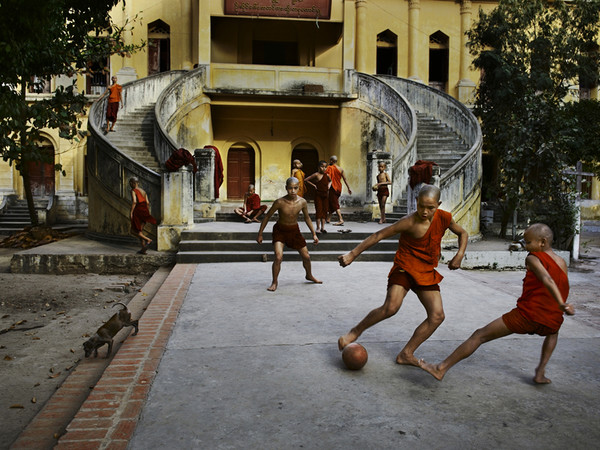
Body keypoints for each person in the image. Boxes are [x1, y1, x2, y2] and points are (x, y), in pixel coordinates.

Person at [419, 223, 574, 384]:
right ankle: (540, 372)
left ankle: (440, 368)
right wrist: (561, 306)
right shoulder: (562, 262)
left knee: (479, 335)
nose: (526, 247)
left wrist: (561, 303)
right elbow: (562, 285)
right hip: (552, 318)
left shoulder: (533, 258)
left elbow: (547, 279)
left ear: (542, 242)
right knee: (553, 333)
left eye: (528, 242)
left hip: (528, 315)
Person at [337, 184, 468, 366]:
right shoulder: (409, 222)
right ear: (416, 202)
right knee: (391, 307)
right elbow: (378, 235)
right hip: (405, 267)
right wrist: (352, 254)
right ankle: (354, 332)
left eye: (430, 208)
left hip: (426, 271)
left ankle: (406, 354)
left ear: (438, 205)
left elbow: (463, 233)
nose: (424, 211)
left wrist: (459, 255)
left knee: (437, 316)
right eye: (421, 206)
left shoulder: (445, 218)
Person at [257, 177, 322, 292]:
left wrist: (314, 234)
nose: (293, 191)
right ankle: (274, 282)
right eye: (290, 188)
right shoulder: (279, 202)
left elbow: (307, 218)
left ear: (298, 188)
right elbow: (267, 217)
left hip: (294, 231)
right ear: (286, 188)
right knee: (278, 257)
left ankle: (309, 275)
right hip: (280, 230)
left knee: (306, 256)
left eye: (295, 188)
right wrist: (260, 234)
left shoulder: (302, 202)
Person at [129, 177, 157, 254]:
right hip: (144, 210)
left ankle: (148, 239)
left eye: (130, 183)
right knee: (139, 231)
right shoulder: (143, 191)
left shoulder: (133, 191)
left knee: (133, 231)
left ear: (133, 183)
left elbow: (134, 202)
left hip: (138, 210)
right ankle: (143, 249)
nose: (130, 184)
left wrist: (131, 212)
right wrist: (146, 212)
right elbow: (147, 202)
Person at [304, 161, 331, 234]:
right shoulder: (316, 174)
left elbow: (330, 181)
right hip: (318, 195)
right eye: (322, 166)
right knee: (319, 211)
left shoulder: (327, 175)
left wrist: (329, 185)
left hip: (325, 195)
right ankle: (318, 228)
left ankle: (323, 228)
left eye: (325, 167)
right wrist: (314, 185)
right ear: (318, 167)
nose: (324, 168)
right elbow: (306, 180)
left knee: (324, 211)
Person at [326, 155, 352, 226]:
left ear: (331, 161)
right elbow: (345, 179)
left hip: (332, 188)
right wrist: (348, 188)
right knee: (332, 202)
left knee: (335, 204)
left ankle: (340, 219)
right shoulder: (340, 169)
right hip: (339, 188)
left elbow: (327, 177)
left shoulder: (329, 168)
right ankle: (328, 218)